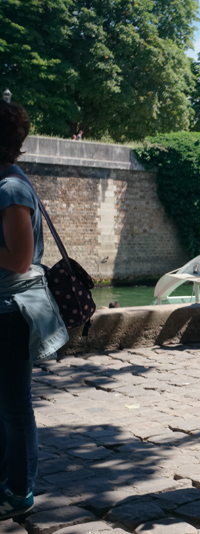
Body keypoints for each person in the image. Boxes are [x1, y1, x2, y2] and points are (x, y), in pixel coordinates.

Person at [0, 101, 70, 520]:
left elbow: (21, 259)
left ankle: (19, 490)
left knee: (14, 406)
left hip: (12, 312)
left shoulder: (11, 189)